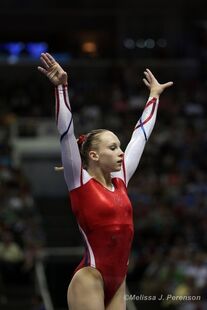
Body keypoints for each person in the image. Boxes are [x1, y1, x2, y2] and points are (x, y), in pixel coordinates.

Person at [38, 52, 173, 310]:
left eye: (119, 147)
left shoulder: (120, 179)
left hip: (118, 280)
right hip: (91, 277)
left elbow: (140, 136)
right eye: (113, 148)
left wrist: (153, 97)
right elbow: (65, 134)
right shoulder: (79, 180)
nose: (121, 152)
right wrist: (61, 89)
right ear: (94, 155)